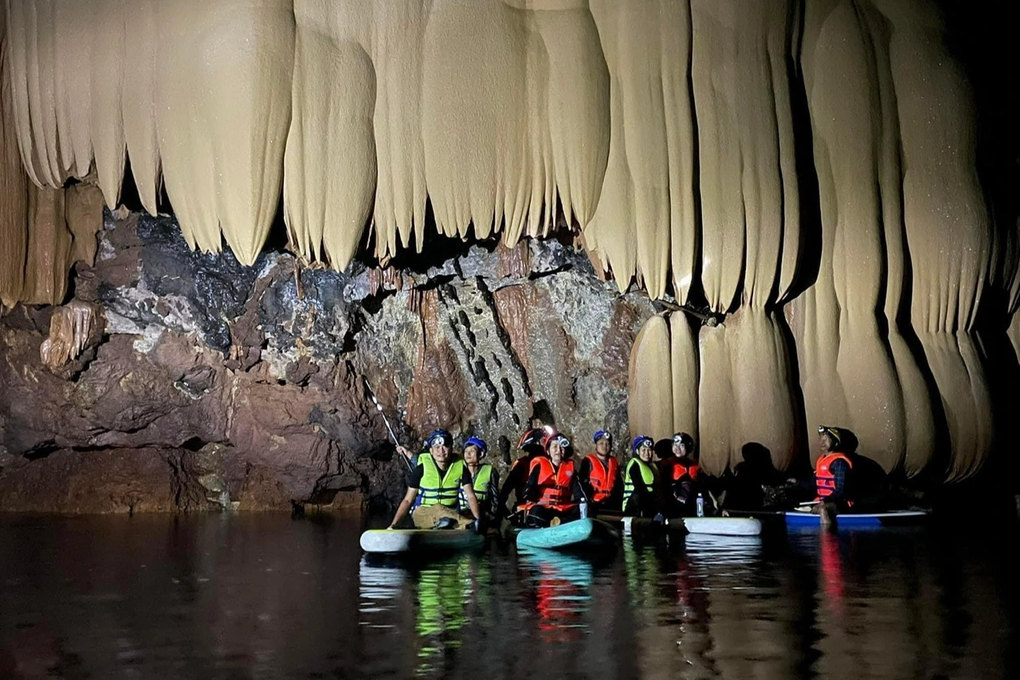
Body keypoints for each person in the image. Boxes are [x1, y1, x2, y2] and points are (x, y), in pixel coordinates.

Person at [388, 429, 482, 530]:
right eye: (436, 447)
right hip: (423, 513)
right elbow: (407, 500)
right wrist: (394, 525)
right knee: (439, 508)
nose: (441, 451)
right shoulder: (421, 468)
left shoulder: (461, 467)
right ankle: (467, 524)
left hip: (450, 512)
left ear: (451, 448)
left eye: (445, 446)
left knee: (446, 513)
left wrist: (478, 518)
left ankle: (464, 525)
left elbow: (471, 496)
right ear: (431, 451)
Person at [520, 431, 580, 527]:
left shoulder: (570, 469)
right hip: (544, 508)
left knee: (581, 509)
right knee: (535, 512)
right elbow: (529, 488)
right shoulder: (539, 465)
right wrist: (529, 493)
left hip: (562, 509)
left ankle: (558, 522)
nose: (558, 450)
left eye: (561, 447)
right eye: (554, 446)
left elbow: (579, 493)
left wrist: (583, 503)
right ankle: (552, 523)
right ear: (548, 451)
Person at [497, 427, 548, 522]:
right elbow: (506, 489)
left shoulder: (554, 464)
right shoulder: (521, 466)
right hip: (527, 510)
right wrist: (502, 509)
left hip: (550, 508)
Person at [813, 425, 855, 525]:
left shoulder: (839, 462)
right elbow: (813, 482)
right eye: (821, 438)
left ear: (836, 443)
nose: (823, 442)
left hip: (841, 503)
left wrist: (825, 501)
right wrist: (796, 483)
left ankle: (827, 538)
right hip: (826, 500)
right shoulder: (821, 460)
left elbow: (841, 490)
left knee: (823, 510)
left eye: (827, 439)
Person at [658, 432, 707, 516]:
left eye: (681, 445)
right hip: (674, 509)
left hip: (693, 508)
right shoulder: (667, 464)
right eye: (675, 445)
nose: (677, 449)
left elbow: (702, 487)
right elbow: (663, 489)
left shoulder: (694, 465)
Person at [575, 430, 622, 514]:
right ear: (596, 445)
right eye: (601, 443)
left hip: (613, 503)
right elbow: (582, 483)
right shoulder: (588, 461)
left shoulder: (614, 463)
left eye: (607, 443)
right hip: (595, 503)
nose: (604, 446)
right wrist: (588, 500)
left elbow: (619, 485)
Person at [459, 436, 499, 527]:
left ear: (480, 454)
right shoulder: (458, 470)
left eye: (472, 451)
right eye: (466, 451)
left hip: (482, 512)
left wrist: (493, 517)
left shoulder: (490, 471)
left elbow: (495, 499)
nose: (468, 454)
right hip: (461, 513)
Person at [623, 435, 659, 517]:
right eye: (643, 450)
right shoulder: (634, 464)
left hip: (649, 503)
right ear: (637, 451)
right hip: (633, 506)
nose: (647, 453)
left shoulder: (653, 466)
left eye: (649, 450)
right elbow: (639, 487)